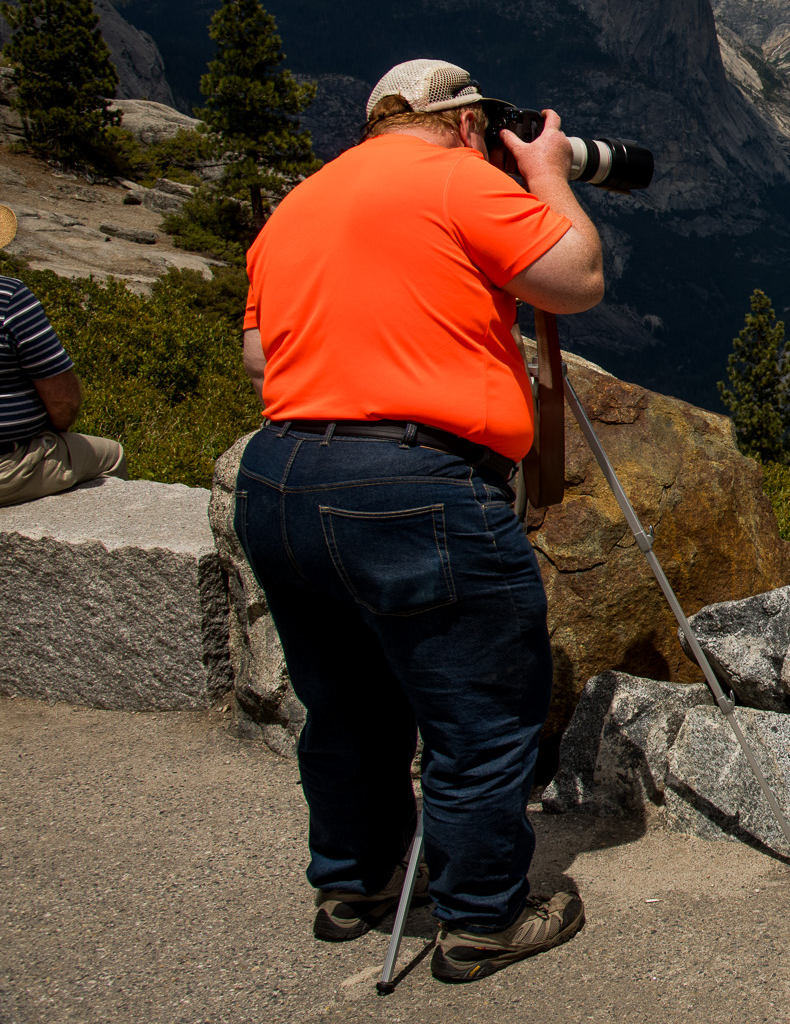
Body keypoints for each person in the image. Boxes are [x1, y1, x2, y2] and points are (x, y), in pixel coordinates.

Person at [233, 59, 604, 983]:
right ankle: (483, 916)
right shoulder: (459, 179)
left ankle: (352, 882)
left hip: (280, 477)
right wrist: (550, 172)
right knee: (477, 713)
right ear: (468, 124)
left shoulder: (300, 201)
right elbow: (576, 276)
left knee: (346, 700)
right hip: (415, 486)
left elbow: (257, 351)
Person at [0, 205, 126, 506]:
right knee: (112, 454)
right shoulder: (9, 297)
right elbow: (62, 400)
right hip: (7, 465)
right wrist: (54, 432)